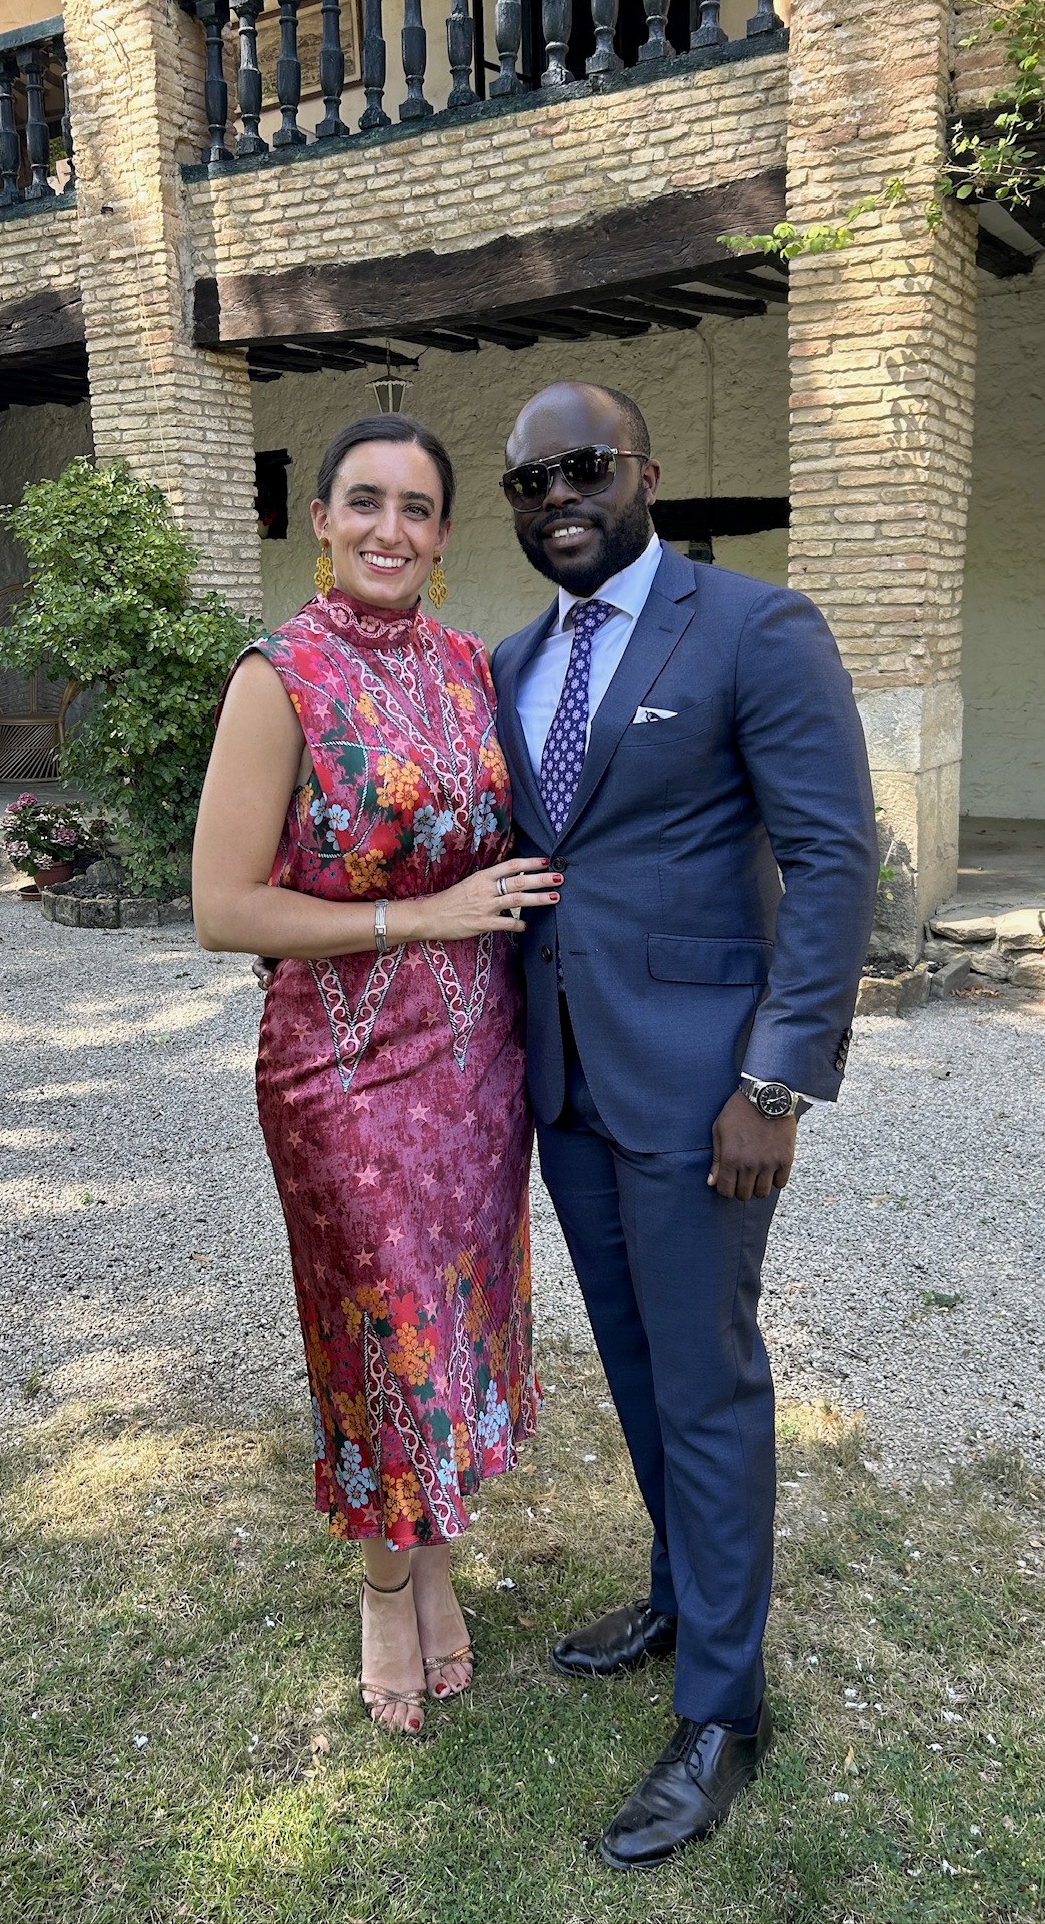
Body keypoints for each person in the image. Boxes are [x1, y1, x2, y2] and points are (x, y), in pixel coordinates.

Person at [489, 382, 877, 1869]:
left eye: (581, 468)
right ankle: (678, 1593)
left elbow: (835, 856)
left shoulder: (753, 628)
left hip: (710, 1092)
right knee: (642, 1362)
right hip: (572, 1082)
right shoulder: (518, 659)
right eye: (529, 482)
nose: (555, 498)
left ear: (644, 473)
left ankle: (725, 1708)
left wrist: (776, 1081)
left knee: (708, 1379)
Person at [192, 414, 560, 1736]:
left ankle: (437, 1561)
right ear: (322, 520)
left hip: (476, 1079)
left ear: (444, 535)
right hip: (344, 1083)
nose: (388, 529)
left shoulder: (470, 667)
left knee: (454, 1330)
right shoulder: (278, 676)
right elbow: (224, 908)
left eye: (415, 508)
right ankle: (381, 1589)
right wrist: (425, 918)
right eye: (364, 502)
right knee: (383, 1338)